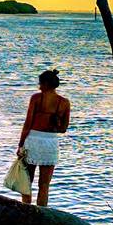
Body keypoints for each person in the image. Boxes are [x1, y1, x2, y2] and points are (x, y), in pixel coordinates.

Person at [18, 69, 71, 206]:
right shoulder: (64, 102)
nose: (39, 87)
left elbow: (28, 124)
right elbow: (63, 129)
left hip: (33, 140)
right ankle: (41, 213)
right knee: (44, 184)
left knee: (26, 181)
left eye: (40, 84)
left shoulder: (36, 98)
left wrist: (20, 144)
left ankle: (26, 210)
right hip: (51, 142)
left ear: (46, 84)